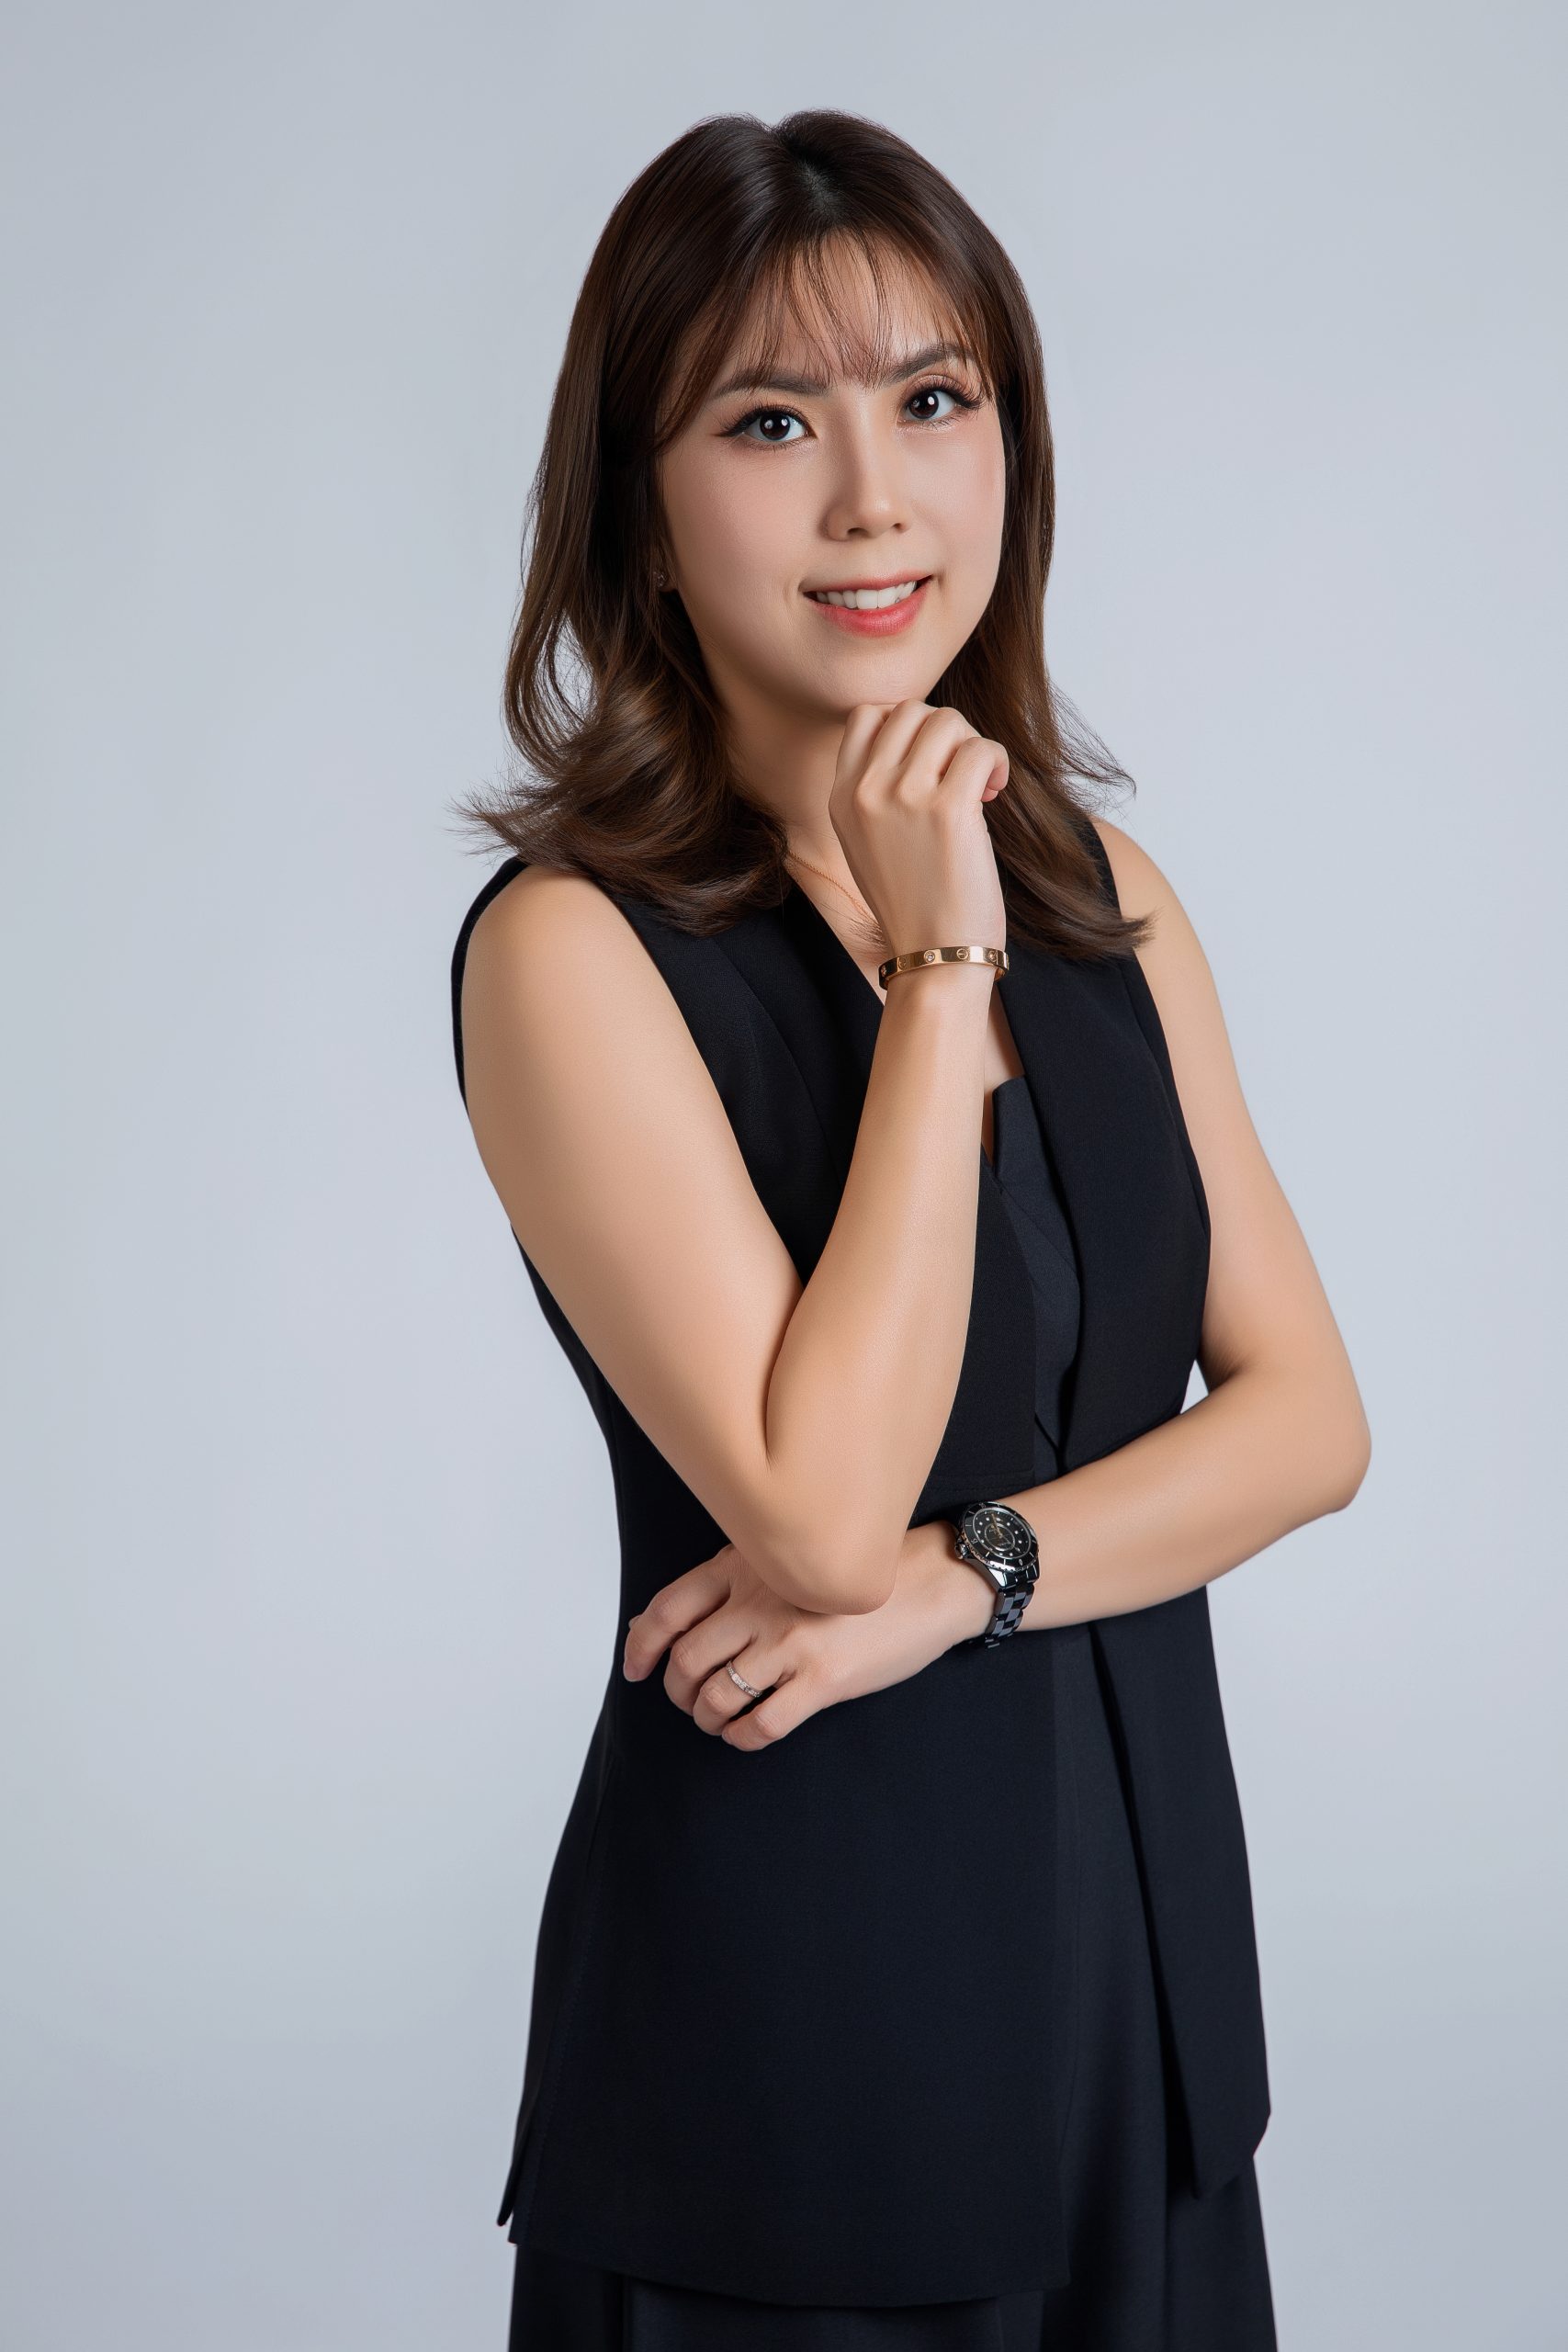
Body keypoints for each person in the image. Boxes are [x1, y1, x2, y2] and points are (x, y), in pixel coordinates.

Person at [448, 107, 1369, 2351]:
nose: (872, 497)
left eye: (931, 400)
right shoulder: (574, 952)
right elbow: (817, 1513)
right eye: (769, 422)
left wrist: (971, 1587)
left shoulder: (1104, 895)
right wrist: (936, 978)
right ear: (641, 511)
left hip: (1139, 2019)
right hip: (797, 2048)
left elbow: (1303, 1423)